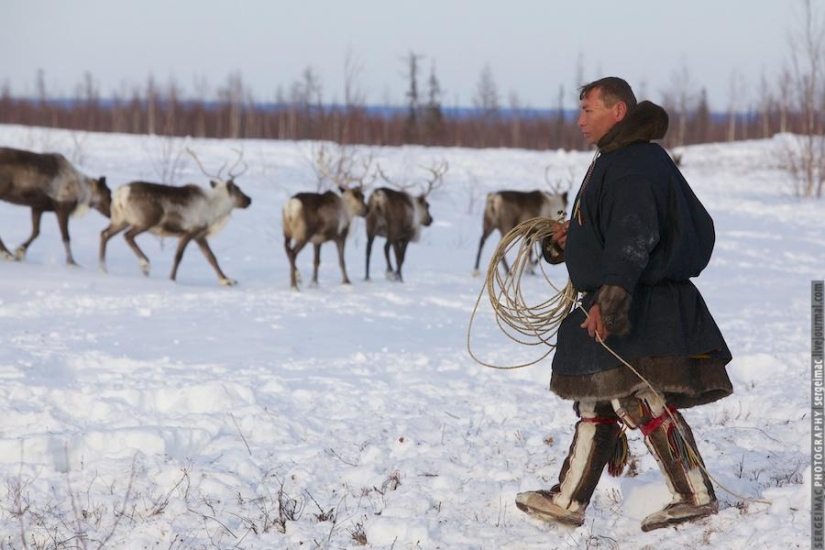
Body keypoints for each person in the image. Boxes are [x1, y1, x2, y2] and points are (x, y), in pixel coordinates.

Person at [515, 77, 733, 532]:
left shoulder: (634, 164)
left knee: (643, 398)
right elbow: (611, 232)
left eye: (588, 110)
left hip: (639, 301)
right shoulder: (617, 159)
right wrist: (574, 240)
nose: (579, 121)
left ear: (618, 112)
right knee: (598, 401)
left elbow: (634, 240)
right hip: (622, 294)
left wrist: (609, 304)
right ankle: (568, 500)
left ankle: (694, 494)